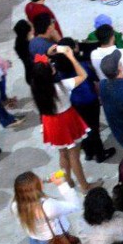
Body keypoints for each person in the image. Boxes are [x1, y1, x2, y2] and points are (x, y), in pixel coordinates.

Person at [30, 45, 94, 190]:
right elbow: (83, 75)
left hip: (50, 122)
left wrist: (47, 54)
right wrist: (71, 57)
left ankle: (68, 180)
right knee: (74, 155)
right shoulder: (61, 86)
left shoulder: (37, 89)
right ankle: (85, 186)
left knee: (63, 153)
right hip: (66, 120)